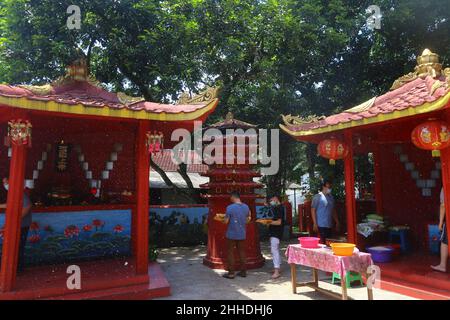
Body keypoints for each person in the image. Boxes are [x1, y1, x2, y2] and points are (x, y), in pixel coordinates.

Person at [0, 178, 32, 273]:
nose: (5, 185)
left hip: (22, 225)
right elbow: (10, 204)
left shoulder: (21, 194)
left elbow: (28, 206)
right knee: (14, 247)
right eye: (4, 183)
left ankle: (18, 269)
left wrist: (15, 219)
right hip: (15, 225)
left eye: (6, 183)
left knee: (18, 247)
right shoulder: (14, 194)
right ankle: (14, 269)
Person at [221, 192, 251, 279]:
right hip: (242, 233)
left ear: (233, 197)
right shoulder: (246, 207)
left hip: (231, 233)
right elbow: (248, 219)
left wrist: (221, 220)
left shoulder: (230, 207)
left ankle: (231, 273)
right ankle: (243, 272)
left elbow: (226, 221)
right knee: (242, 252)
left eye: (230, 198)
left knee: (230, 252)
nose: (230, 199)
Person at [267, 195, 284, 279]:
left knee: (274, 250)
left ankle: (277, 271)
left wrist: (267, 222)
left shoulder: (279, 208)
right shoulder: (277, 207)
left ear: (276, 199)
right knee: (275, 249)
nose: (271, 201)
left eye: (272, 199)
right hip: (274, 232)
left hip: (276, 232)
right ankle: (278, 268)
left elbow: (279, 222)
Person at [431, 187, 448, 272]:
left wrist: (440, 222)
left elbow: (443, 205)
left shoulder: (446, 185)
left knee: (445, 242)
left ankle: (442, 265)